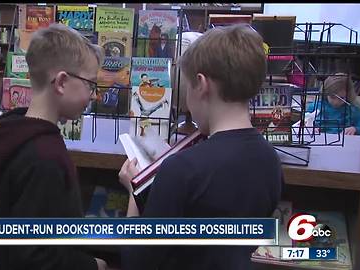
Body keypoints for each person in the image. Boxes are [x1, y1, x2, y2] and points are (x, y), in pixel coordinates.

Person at [118, 24, 283, 270]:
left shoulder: (181, 169)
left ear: (201, 84)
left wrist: (135, 191)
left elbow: (135, 262)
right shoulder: (271, 159)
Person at [0, 24, 107, 270]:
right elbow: (36, 255)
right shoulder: (44, 158)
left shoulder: (17, 134)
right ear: (61, 82)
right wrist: (93, 265)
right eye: (90, 85)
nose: (93, 95)